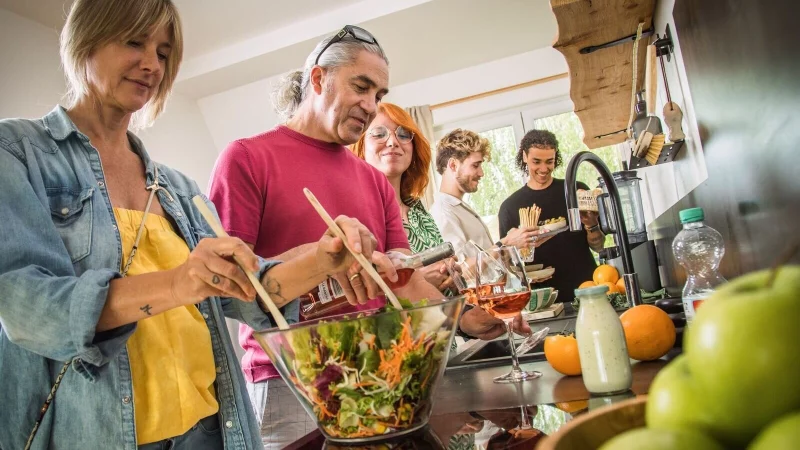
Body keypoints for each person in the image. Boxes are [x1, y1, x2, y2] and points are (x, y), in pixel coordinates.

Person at [0, 2, 392, 449]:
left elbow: (247, 292)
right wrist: (180, 283)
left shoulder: (176, 187)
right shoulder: (18, 152)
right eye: (134, 42)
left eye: (163, 53)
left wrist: (323, 260)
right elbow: (27, 307)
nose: (151, 64)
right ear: (84, 40)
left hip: (208, 429)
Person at [350, 102, 454, 293]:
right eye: (379, 134)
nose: (392, 142)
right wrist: (418, 281)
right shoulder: (355, 214)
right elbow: (356, 293)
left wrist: (452, 274)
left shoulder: (418, 209)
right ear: (361, 147)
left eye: (403, 135)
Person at [498, 129, 603, 303]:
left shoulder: (575, 190)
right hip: (544, 299)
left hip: (587, 289)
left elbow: (598, 246)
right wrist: (525, 277)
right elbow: (506, 262)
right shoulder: (510, 207)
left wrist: (592, 226)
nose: (543, 169)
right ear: (525, 157)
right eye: (536, 161)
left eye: (550, 161)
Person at [430, 128, 537, 256]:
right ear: (453, 165)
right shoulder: (443, 214)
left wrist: (517, 243)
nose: (481, 173)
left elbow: (486, 265)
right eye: (475, 165)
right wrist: (506, 243)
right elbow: (461, 270)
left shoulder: (458, 208)